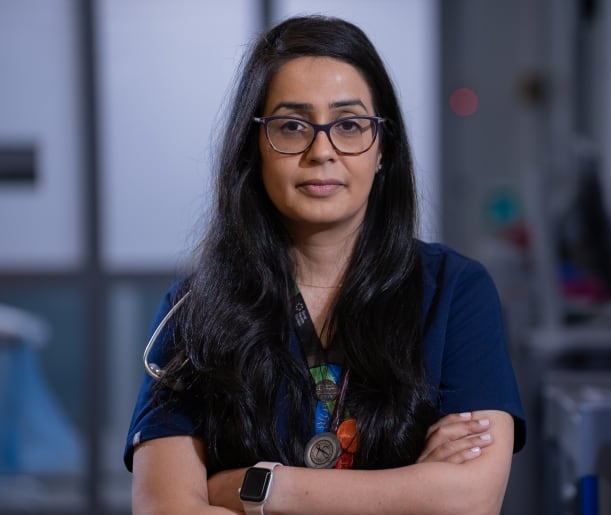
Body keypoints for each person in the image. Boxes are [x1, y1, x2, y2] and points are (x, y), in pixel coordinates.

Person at [125, 15, 525, 515]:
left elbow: (469, 501)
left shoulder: (456, 291)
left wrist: (262, 488)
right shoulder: (194, 310)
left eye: (350, 125)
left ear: (383, 148)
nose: (321, 151)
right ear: (255, 148)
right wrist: (412, 491)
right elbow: (166, 511)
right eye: (291, 126)